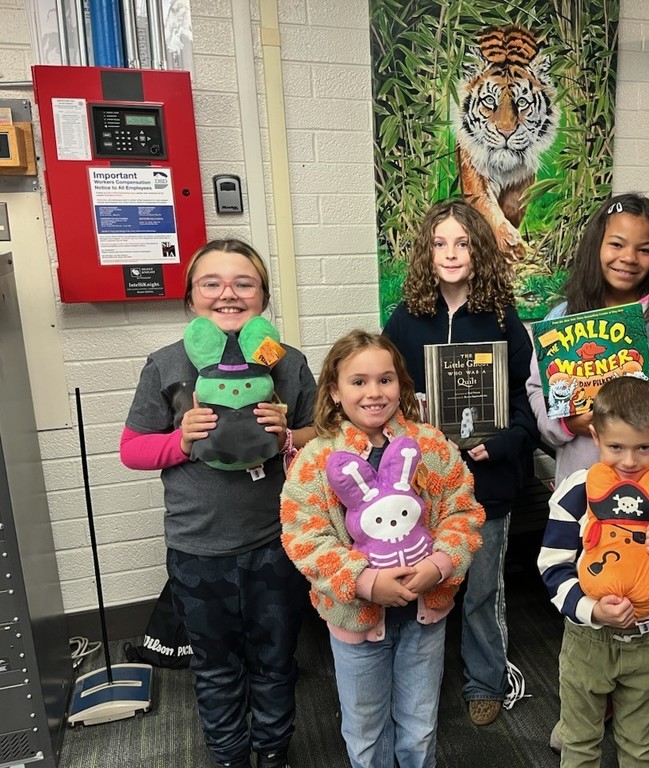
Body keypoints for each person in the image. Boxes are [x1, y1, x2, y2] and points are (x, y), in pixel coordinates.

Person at [121, 239, 316, 768]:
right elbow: (132, 450)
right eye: (212, 283)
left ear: (263, 299)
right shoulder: (166, 365)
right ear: (191, 300)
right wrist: (181, 441)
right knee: (215, 665)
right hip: (197, 548)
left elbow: (325, 435)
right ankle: (228, 754)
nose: (227, 293)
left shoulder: (288, 362)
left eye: (243, 283)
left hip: (276, 544)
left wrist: (290, 437)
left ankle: (274, 750)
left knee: (276, 660)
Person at [280, 331, 484, 768]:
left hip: (424, 615)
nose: (374, 392)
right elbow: (304, 538)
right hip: (356, 623)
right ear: (334, 391)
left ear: (401, 385)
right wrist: (365, 581)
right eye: (358, 382)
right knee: (366, 728)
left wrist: (440, 565)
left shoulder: (430, 446)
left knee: (420, 722)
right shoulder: (315, 459)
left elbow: (463, 513)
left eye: (385, 380)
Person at [382, 198, 539, 726]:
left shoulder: (502, 319)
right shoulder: (403, 320)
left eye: (464, 243)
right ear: (427, 252)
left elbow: (526, 403)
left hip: (486, 480)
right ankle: (415, 678)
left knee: (481, 586)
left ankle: (485, 679)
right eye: (440, 243)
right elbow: (387, 396)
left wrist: (499, 442)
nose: (451, 254)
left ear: (481, 250)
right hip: (422, 483)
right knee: (422, 579)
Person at [537, 376, 649, 767]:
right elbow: (552, 566)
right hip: (587, 640)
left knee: (640, 747)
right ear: (595, 437)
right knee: (580, 743)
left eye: (644, 448)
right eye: (616, 447)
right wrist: (591, 609)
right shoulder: (575, 492)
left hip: (648, 641)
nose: (630, 461)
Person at [526, 192, 649, 494]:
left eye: (644, 249)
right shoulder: (562, 319)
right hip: (582, 493)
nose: (628, 258)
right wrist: (568, 425)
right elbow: (536, 390)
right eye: (616, 244)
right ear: (597, 245)